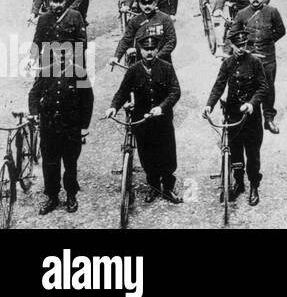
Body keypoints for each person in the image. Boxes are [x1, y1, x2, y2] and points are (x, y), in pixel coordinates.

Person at [106, 33, 183, 203]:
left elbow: (175, 91)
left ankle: (168, 188)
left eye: (152, 49)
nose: (149, 52)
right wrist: (113, 107)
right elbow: (122, 92)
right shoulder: (133, 70)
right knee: (147, 155)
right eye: (145, 49)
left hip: (162, 120)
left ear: (157, 50)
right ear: (140, 50)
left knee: (167, 154)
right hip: (142, 121)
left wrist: (161, 107)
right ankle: (154, 187)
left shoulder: (166, 67)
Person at [203, 27, 269, 206]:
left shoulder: (255, 62)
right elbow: (218, 86)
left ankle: (254, 186)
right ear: (231, 45)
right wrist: (209, 105)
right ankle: (239, 183)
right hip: (232, 115)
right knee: (236, 151)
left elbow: (263, 88)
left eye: (244, 44)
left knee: (253, 154)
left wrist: (252, 104)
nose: (241, 48)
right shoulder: (227, 64)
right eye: (237, 45)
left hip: (251, 117)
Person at [29, 43, 93, 215]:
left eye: (65, 52)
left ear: (71, 53)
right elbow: (34, 94)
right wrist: (35, 113)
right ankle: (52, 196)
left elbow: (87, 101)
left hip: (71, 128)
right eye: (58, 52)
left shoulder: (79, 73)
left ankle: (71, 195)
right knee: (50, 163)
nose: (62, 56)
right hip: (49, 127)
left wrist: (84, 127)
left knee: (70, 163)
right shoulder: (45, 71)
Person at [229, 0, 286, 134]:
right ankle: (250, 116)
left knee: (268, 87)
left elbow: (281, 30)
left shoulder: (272, 12)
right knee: (249, 86)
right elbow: (232, 35)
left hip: (267, 57)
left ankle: (268, 118)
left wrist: (267, 40)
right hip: (249, 57)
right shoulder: (241, 14)